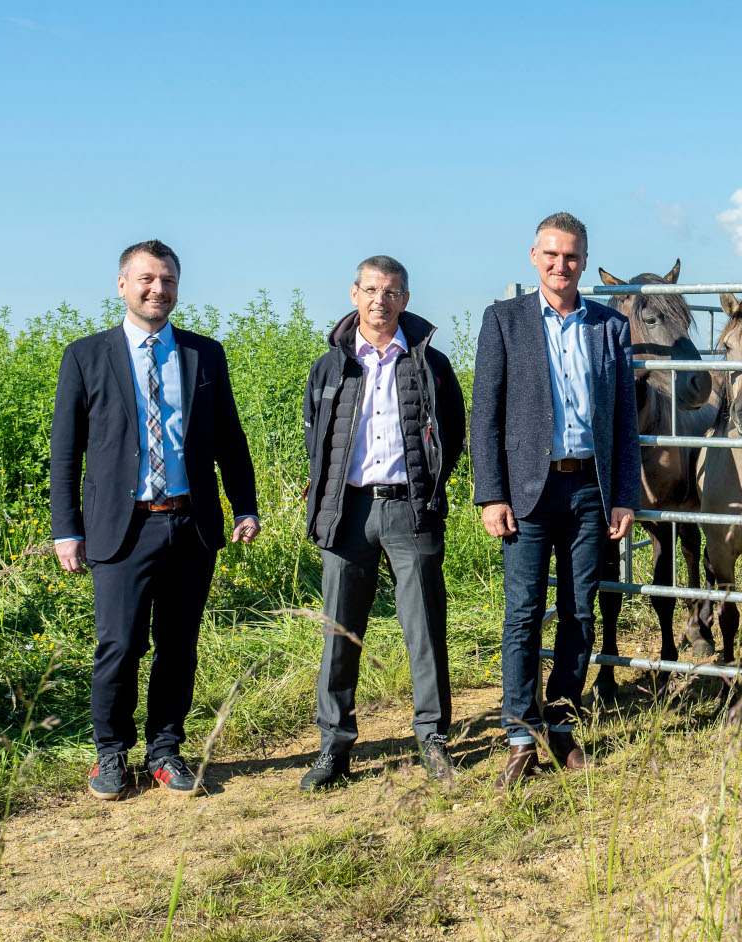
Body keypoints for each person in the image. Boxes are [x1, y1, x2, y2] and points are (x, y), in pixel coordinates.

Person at [50, 240, 260, 800]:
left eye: (167, 280)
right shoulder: (85, 355)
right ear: (122, 285)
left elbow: (229, 440)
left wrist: (245, 505)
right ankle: (110, 754)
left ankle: (165, 749)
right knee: (118, 645)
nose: (157, 290)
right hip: (121, 528)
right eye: (146, 279)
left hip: (189, 524)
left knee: (179, 644)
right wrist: (66, 530)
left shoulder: (202, 354)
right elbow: (67, 453)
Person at [471, 213, 641, 785]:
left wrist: (623, 494)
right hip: (527, 493)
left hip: (590, 490)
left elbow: (623, 422)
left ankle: (563, 723)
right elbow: (484, 415)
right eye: (551, 254)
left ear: (584, 260)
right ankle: (521, 733)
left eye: (570, 256)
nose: (560, 265)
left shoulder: (609, 327)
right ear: (533, 256)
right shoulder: (504, 321)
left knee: (578, 612)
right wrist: (491, 494)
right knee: (522, 613)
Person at [299, 255, 467, 791]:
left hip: (409, 509)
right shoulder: (329, 366)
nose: (380, 301)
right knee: (339, 632)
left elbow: (453, 433)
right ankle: (334, 746)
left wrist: (428, 488)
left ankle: (432, 739)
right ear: (354, 294)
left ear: (405, 300)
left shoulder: (431, 364)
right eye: (371, 290)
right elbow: (315, 438)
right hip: (347, 511)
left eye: (391, 292)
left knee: (424, 628)